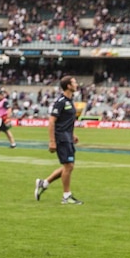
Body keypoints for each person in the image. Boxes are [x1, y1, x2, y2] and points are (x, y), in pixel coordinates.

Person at [35, 75, 83, 204]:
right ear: (68, 86)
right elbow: (52, 122)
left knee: (68, 166)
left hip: (68, 137)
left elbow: (67, 121)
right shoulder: (61, 102)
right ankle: (66, 196)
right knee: (69, 166)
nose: (76, 84)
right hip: (61, 137)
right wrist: (52, 141)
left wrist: (73, 134)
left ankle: (44, 183)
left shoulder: (70, 101)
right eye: (74, 82)